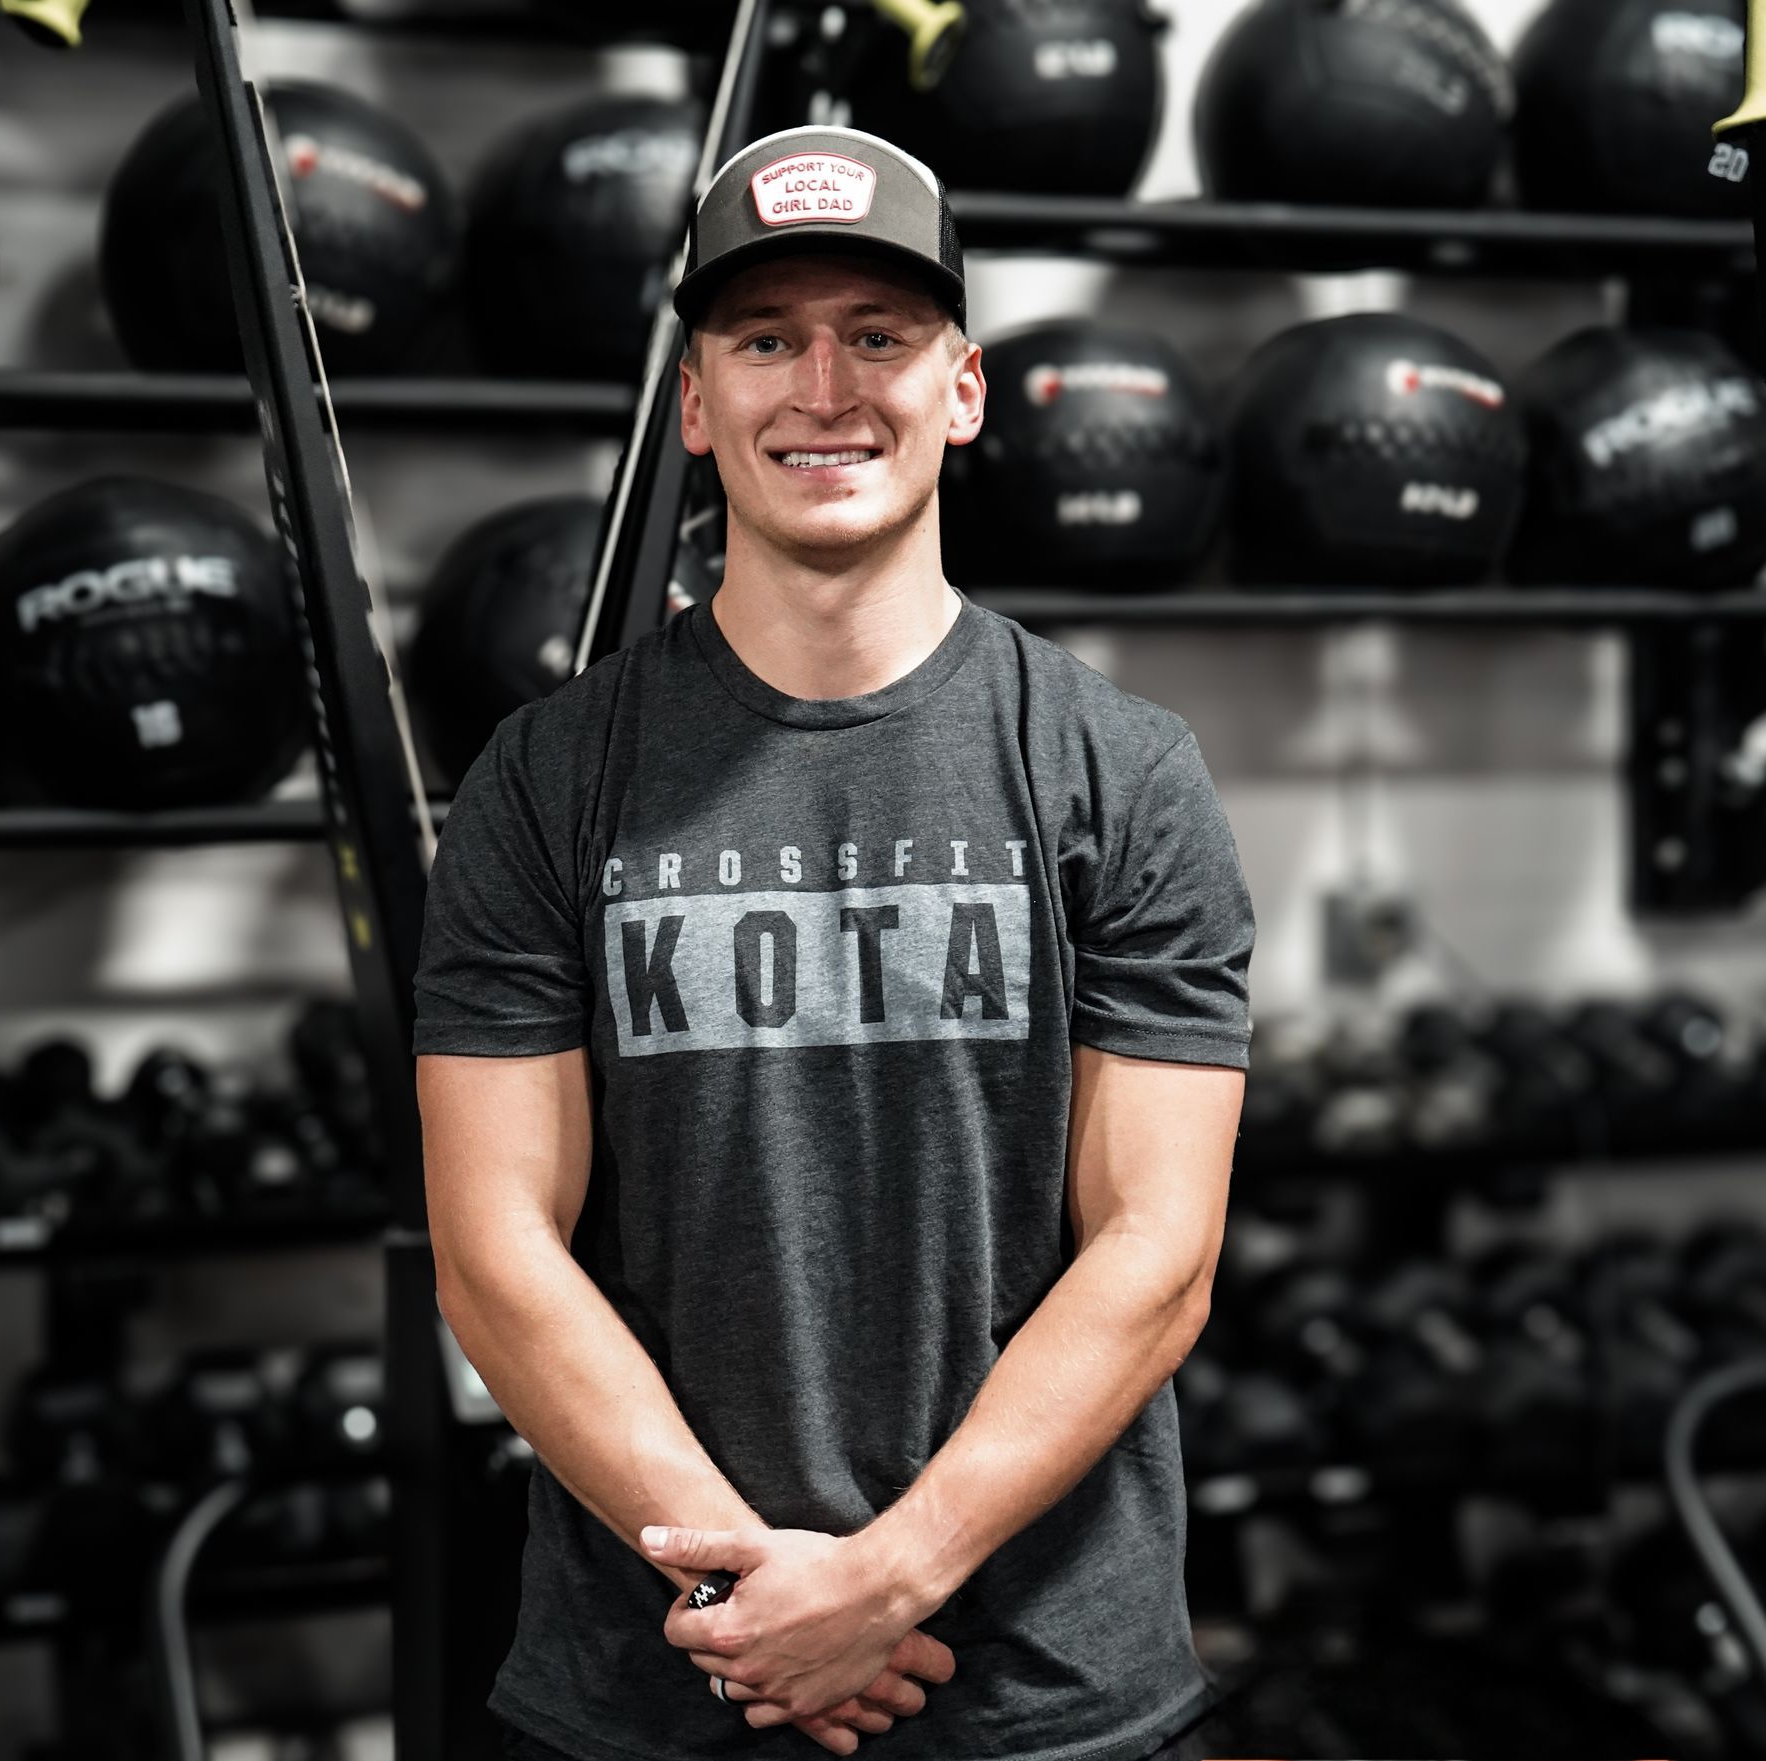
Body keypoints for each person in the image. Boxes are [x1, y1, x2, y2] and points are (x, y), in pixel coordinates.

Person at [414, 123, 1255, 1761]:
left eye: (878, 334)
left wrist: (890, 1575)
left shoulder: (1120, 772)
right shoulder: (545, 779)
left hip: (1039, 1689)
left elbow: (1157, 1255)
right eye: (765, 340)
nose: (823, 389)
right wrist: (753, 1595)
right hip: (661, 1682)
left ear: (963, 385)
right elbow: (496, 1253)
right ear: (695, 401)